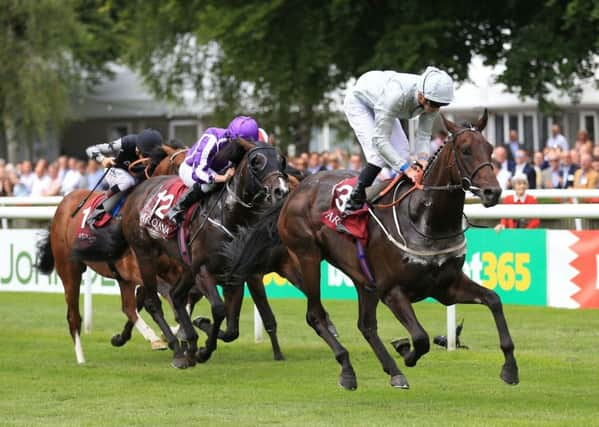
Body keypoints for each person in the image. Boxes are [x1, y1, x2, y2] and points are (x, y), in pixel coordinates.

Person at [342, 66, 454, 213]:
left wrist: (423, 159)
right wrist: (407, 170)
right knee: (378, 156)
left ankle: (403, 202)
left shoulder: (431, 99)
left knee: (403, 153)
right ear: (421, 95)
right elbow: (380, 141)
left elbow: (424, 135)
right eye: (433, 104)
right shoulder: (396, 95)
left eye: (440, 105)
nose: (435, 109)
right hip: (360, 103)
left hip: (382, 105)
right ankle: (352, 205)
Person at [166, 116, 260, 225]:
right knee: (210, 185)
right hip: (191, 169)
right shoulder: (212, 138)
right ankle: (178, 208)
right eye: (242, 146)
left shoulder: (239, 141)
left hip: (218, 170)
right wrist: (223, 178)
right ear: (233, 139)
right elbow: (199, 173)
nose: (243, 150)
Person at [85, 128, 163, 223]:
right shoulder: (125, 143)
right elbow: (90, 149)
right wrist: (103, 159)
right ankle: (98, 210)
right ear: (138, 149)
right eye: (146, 155)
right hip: (115, 170)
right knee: (128, 181)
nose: (150, 160)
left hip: (134, 177)